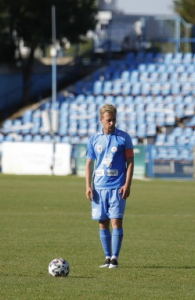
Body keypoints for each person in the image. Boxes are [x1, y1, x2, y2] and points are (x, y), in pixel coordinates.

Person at [85, 104, 134, 269]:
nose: (111, 123)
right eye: (108, 120)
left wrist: (127, 184)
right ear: (101, 120)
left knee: (116, 222)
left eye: (113, 120)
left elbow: (130, 162)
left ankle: (115, 258)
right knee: (102, 223)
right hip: (99, 188)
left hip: (117, 187)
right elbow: (89, 163)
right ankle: (107, 257)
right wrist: (88, 186)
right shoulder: (94, 139)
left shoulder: (124, 138)